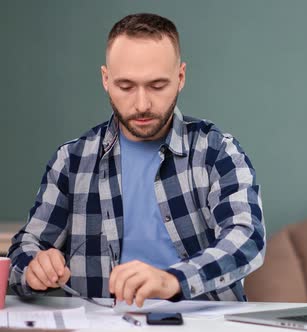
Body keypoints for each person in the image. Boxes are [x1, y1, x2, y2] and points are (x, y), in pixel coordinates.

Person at [7, 13, 265, 307]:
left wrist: (173, 281)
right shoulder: (71, 161)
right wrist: (33, 268)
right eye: (126, 86)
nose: (142, 104)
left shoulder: (217, 152)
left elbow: (247, 239)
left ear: (180, 77)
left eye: (157, 85)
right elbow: (25, 249)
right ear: (106, 79)